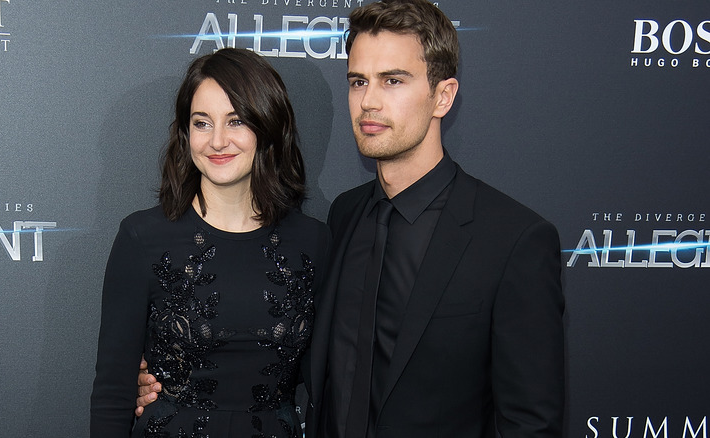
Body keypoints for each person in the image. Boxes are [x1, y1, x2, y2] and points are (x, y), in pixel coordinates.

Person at [138, 0, 565, 436]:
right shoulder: (342, 218)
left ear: (444, 96)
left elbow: (531, 424)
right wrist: (173, 375)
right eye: (358, 81)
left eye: (393, 81)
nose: (369, 102)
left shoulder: (513, 240)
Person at [90, 47, 330, 437]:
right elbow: (112, 395)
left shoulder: (313, 242)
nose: (218, 141)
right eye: (202, 123)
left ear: (267, 126)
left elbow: (330, 379)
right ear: (186, 133)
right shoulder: (142, 238)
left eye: (236, 121)